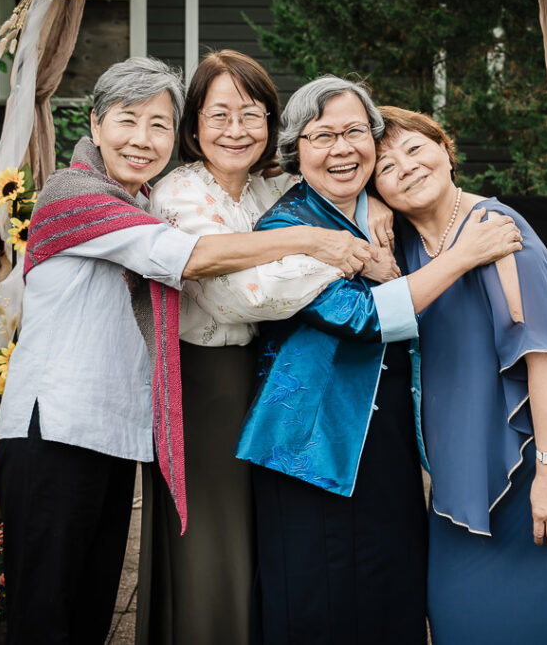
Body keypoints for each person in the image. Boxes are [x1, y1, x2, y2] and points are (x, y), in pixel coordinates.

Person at [0, 56, 372, 645]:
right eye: (128, 121)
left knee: (91, 605)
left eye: (157, 125)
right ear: (94, 126)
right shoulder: (77, 196)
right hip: (55, 431)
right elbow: (191, 260)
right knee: (46, 610)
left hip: (114, 432)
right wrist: (315, 241)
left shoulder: (140, 198)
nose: (143, 140)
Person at [234, 76, 524, 645]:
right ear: (296, 151)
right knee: (316, 602)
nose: (341, 149)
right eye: (321, 137)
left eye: (353, 132)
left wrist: (372, 202)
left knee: (393, 589)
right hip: (309, 444)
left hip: (383, 434)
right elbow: (364, 318)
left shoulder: (380, 206)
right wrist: (463, 257)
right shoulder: (284, 228)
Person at [137, 50, 396, 645]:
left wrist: (372, 203)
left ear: (272, 123)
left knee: (262, 538)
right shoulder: (178, 196)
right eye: (219, 115)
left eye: (251, 115)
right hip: (204, 383)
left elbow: (340, 180)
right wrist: (340, 253)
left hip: (263, 378)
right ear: (193, 125)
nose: (235, 130)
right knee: (213, 542)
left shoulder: (265, 187)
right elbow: (239, 297)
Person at [371, 105, 547, 645]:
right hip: (466, 448)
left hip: (545, 438)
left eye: (415, 149)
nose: (407, 168)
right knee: (457, 609)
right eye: (386, 168)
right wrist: (371, 205)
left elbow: (545, 359)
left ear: (445, 149)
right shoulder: (405, 242)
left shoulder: (497, 230)